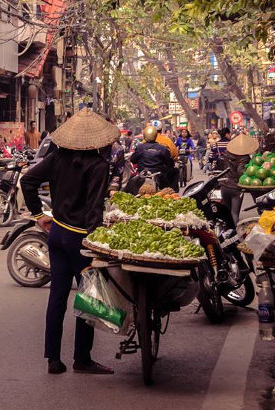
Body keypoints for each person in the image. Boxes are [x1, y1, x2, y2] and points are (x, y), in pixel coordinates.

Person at [21, 109, 118, 376]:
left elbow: (27, 180)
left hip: (57, 235)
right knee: (88, 297)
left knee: (57, 297)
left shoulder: (56, 157)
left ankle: (53, 358)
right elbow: (94, 209)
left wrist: (40, 216)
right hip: (80, 239)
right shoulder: (98, 165)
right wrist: (96, 242)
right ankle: (82, 359)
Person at [220, 133, 258, 225]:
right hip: (236, 188)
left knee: (227, 212)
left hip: (224, 186)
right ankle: (236, 234)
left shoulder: (226, 153)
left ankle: (227, 232)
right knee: (234, 213)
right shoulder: (244, 157)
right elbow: (240, 172)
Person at [130, 125, 175, 190]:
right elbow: (170, 163)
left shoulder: (140, 147)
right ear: (155, 136)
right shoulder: (163, 148)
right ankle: (173, 194)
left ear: (144, 136)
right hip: (159, 175)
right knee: (168, 191)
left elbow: (133, 160)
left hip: (142, 174)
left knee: (130, 187)